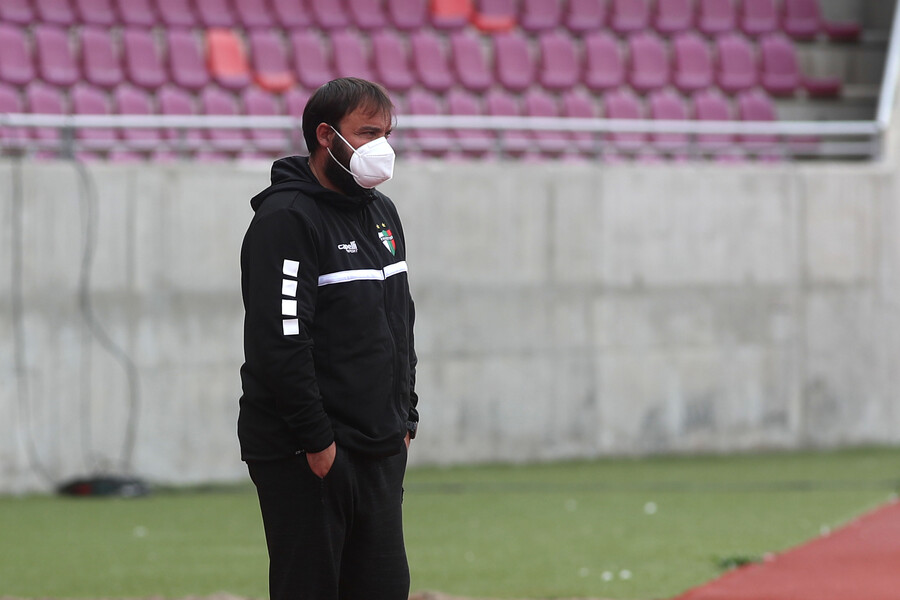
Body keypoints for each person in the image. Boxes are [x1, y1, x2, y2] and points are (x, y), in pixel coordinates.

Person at [238, 77, 419, 600]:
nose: (381, 147)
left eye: (386, 134)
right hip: (309, 452)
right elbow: (281, 341)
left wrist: (406, 417)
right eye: (367, 133)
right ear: (325, 135)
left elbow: (399, 321)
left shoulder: (382, 212)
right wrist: (316, 442)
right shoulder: (287, 219)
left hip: (380, 446)